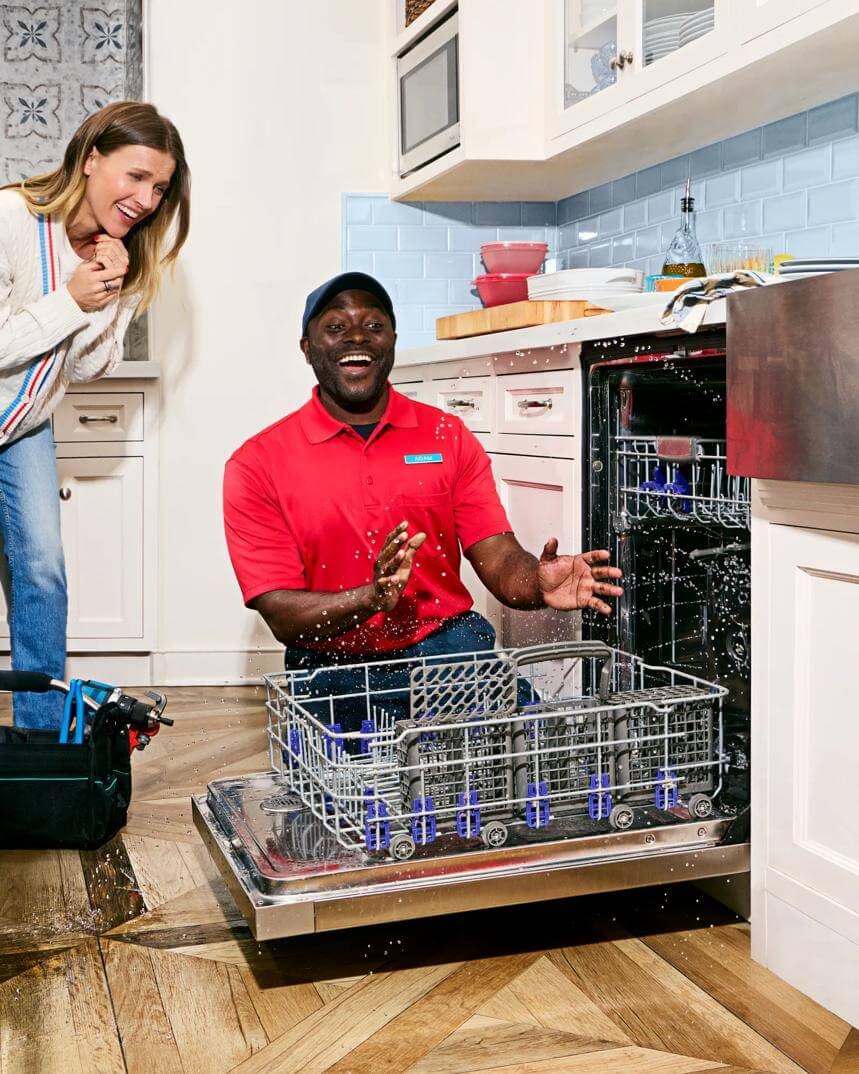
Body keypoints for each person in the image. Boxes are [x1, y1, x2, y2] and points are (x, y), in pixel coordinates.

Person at [223, 272, 623, 727]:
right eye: (335, 327)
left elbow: (498, 558)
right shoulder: (259, 463)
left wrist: (537, 581)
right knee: (348, 793)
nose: (357, 337)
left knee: (536, 762)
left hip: (447, 649)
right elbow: (281, 615)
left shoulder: (446, 436)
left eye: (374, 326)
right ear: (307, 347)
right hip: (332, 665)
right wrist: (371, 598)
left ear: (392, 340)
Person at [0, 101, 190, 728]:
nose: (146, 198)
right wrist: (69, 299)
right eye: (136, 176)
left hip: (22, 427)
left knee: (42, 571)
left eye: (160, 187)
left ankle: (39, 737)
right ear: (90, 160)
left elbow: (84, 369)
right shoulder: (10, 218)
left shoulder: (121, 256)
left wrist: (105, 299)